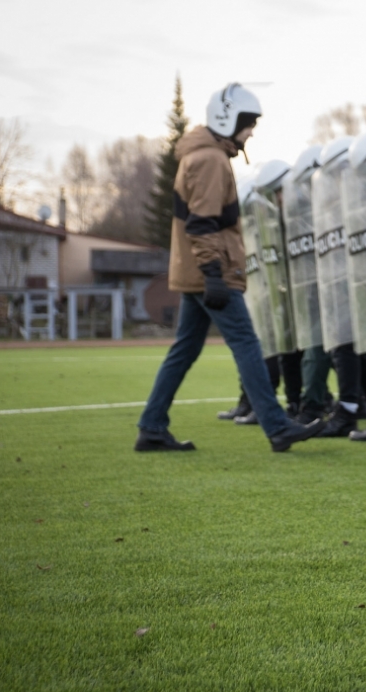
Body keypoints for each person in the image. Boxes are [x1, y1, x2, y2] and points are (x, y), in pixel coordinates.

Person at [135, 84, 323, 453]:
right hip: (209, 274)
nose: (252, 130)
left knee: (184, 350)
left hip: (197, 273)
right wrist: (214, 273)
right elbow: (202, 224)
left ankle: (152, 426)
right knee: (247, 345)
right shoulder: (210, 160)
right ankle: (277, 426)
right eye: (248, 122)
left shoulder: (201, 156)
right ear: (228, 119)